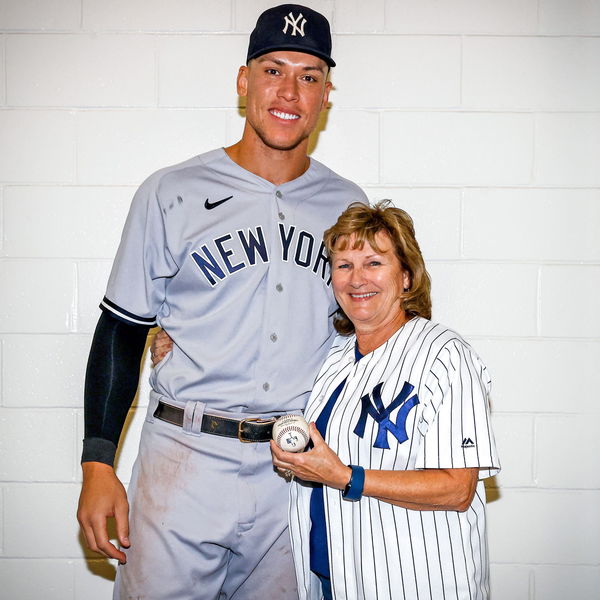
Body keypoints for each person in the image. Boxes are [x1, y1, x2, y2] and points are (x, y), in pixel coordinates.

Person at [76, 5, 367, 599]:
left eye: (309, 76)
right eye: (273, 70)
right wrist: (98, 464)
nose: (289, 91)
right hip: (185, 459)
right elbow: (122, 330)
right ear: (244, 81)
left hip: (296, 470)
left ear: (326, 96)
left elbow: (368, 333)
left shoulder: (347, 203)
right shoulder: (172, 191)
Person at [271, 201, 500, 600]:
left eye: (373, 262)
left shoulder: (444, 354)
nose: (356, 279)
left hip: (417, 582)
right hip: (332, 580)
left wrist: (345, 476)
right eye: (343, 265)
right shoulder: (336, 356)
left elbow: (457, 488)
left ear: (407, 277)